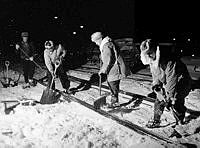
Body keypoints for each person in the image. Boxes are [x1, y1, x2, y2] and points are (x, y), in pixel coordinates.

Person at [140, 39, 191, 128]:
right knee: (159, 99)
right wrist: (156, 86)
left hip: (182, 81)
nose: (149, 55)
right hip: (170, 81)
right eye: (147, 54)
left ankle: (180, 122)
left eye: (150, 52)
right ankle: (156, 120)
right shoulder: (153, 61)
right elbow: (156, 75)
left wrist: (170, 96)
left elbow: (172, 78)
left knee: (176, 101)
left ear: (156, 50)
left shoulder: (168, 60)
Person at [90, 32, 128, 107]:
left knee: (112, 83)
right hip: (114, 67)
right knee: (112, 83)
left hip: (115, 67)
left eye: (96, 42)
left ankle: (115, 102)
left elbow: (108, 59)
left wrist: (102, 70)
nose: (96, 44)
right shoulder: (107, 43)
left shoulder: (106, 45)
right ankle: (114, 100)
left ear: (100, 39)